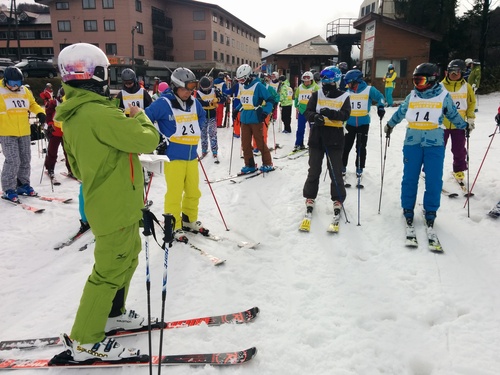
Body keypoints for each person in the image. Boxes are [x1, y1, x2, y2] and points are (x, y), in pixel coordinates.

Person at [54, 42, 160, 362]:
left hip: (117, 200)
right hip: (113, 205)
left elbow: (74, 167)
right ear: (97, 74)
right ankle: (86, 340)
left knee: (127, 258)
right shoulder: (97, 113)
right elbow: (148, 139)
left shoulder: (74, 115)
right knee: (109, 269)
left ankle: (113, 314)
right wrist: (138, 116)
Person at [384, 63, 470, 228]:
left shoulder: (443, 96)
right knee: (409, 178)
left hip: (434, 144)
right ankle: (407, 207)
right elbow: (401, 112)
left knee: (434, 179)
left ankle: (431, 209)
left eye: (421, 81)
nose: (418, 85)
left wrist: (464, 126)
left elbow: (453, 114)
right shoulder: (412, 96)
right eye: (415, 81)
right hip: (412, 143)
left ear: (432, 80)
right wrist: (390, 124)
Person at [145, 67, 208, 242]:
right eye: (185, 89)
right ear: (175, 86)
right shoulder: (163, 103)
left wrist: (197, 127)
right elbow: (145, 118)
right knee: (174, 193)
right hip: (173, 157)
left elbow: (202, 116)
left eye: (191, 89)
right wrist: (158, 137)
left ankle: (188, 219)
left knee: (193, 191)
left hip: (191, 155)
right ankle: (173, 224)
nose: (188, 93)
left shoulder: (194, 102)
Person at [302, 66, 351, 218]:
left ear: (336, 80)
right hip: (317, 137)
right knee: (314, 169)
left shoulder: (344, 96)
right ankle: (310, 196)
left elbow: (345, 115)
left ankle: (338, 199)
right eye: (323, 78)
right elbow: (308, 111)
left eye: (329, 78)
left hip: (335, 138)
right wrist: (314, 117)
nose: (325, 81)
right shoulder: (317, 94)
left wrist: (331, 113)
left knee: (335, 171)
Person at [0, 66, 46, 202]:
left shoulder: (24, 90)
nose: (15, 87)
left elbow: (32, 104)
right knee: (13, 160)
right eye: (12, 84)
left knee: (25, 159)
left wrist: (40, 112)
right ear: (5, 81)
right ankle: (8, 188)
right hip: (7, 132)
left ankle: (22, 184)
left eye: (18, 83)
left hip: (24, 131)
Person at [342, 69, 386, 178]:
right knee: (346, 146)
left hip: (363, 123)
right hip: (349, 124)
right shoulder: (347, 92)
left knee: (361, 147)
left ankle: (359, 167)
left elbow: (381, 97)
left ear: (356, 81)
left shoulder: (369, 89)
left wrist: (381, 107)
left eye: (349, 83)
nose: (347, 85)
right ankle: (342, 166)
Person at [233, 63, 275, 173]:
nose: (240, 82)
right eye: (239, 80)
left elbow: (270, 99)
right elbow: (243, 101)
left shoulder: (258, 86)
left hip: (256, 118)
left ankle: (267, 163)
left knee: (259, 142)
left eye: (242, 79)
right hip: (245, 119)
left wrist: (266, 112)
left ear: (248, 77)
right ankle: (250, 164)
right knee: (245, 144)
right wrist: (236, 110)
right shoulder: (242, 86)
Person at [441, 59, 476, 183]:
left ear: (461, 72)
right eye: (451, 72)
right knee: (437, 149)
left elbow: (471, 104)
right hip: (442, 125)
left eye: (456, 72)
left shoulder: (466, 87)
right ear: (447, 72)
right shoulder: (440, 86)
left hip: (459, 124)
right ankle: (428, 169)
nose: (453, 74)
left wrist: (470, 119)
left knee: (459, 149)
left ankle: (458, 170)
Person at [196, 76, 226, 163]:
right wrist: (209, 103)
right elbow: (198, 102)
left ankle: (215, 151)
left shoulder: (214, 90)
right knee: (203, 133)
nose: (205, 90)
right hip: (203, 116)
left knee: (213, 133)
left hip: (212, 115)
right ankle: (204, 150)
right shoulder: (198, 93)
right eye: (203, 88)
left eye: (207, 88)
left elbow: (224, 97)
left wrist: (218, 99)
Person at [293, 71, 320, 151]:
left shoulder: (316, 87)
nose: (306, 82)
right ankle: (299, 144)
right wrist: (296, 106)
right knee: (300, 129)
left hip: (312, 111)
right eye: (305, 81)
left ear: (311, 80)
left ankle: (313, 144)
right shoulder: (300, 87)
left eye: (308, 81)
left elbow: (319, 99)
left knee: (313, 129)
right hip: (302, 111)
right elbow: (296, 97)